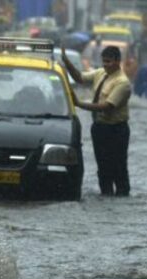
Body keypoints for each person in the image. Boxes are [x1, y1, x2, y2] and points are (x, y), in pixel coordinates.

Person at [61, 45, 132, 197]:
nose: (106, 65)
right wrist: (67, 63)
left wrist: (79, 104)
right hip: (100, 128)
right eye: (104, 61)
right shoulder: (100, 73)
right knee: (103, 167)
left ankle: (122, 195)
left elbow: (106, 106)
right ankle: (106, 195)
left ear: (118, 61)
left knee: (118, 167)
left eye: (109, 62)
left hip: (116, 130)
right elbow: (80, 78)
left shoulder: (123, 83)